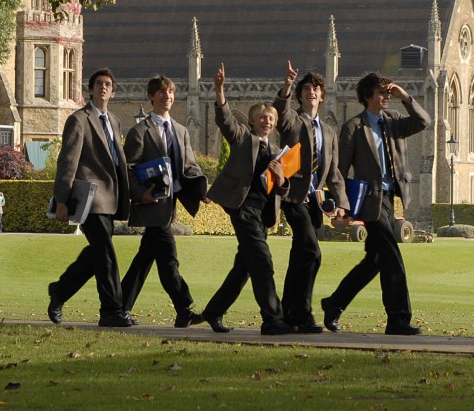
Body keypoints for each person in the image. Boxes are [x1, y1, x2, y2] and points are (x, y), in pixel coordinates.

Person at [321, 72, 430, 336]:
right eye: (382, 93)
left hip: (391, 199)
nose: (386, 97)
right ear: (368, 96)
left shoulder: (393, 121)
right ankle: (398, 319)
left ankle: (334, 303)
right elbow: (340, 169)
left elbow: (423, 121)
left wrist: (404, 96)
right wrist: (341, 206)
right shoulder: (354, 127)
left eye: (388, 92)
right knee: (393, 258)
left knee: (376, 259)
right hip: (371, 202)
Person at [201, 63, 296, 336]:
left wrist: (282, 178)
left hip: (263, 214)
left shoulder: (278, 152)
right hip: (242, 209)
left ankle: (214, 311)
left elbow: (283, 190)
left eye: (271, 118)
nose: (267, 121)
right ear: (253, 121)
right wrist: (219, 90)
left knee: (244, 267)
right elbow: (226, 121)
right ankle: (273, 319)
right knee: (263, 262)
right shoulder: (244, 138)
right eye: (262, 117)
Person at [46, 68, 133, 327]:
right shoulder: (79, 119)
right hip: (90, 199)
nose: (103, 87)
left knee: (96, 254)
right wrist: (62, 200)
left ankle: (59, 291)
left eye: (107, 84)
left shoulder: (115, 121)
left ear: (113, 92)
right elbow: (68, 162)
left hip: (112, 198)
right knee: (105, 254)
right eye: (98, 84)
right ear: (91, 90)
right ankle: (111, 311)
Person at [120, 75, 205, 328]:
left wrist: (201, 189)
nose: (167, 96)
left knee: (145, 258)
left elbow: (189, 167)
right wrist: (141, 193)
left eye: (170, 92)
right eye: (162, 92)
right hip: (152, 204)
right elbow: (129, 168)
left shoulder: (180, 130)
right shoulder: (139, 131)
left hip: (171, 206)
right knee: (168, 257)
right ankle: (184, 307)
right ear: (151, 97)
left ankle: (118, 307)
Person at [273, 62, 349, 333]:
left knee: (300, 257)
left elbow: (335, 173)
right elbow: (280, 113)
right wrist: (286, 86)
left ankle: (286, 313)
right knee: (312, 252)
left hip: (316, 203)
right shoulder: (293, 120)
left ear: (322, 95)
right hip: (294, 198)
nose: (311, 92)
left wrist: (341, 204)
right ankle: (304, 313)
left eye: (315, 89)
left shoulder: (328, 133)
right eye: (306, 89)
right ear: (300, 94)